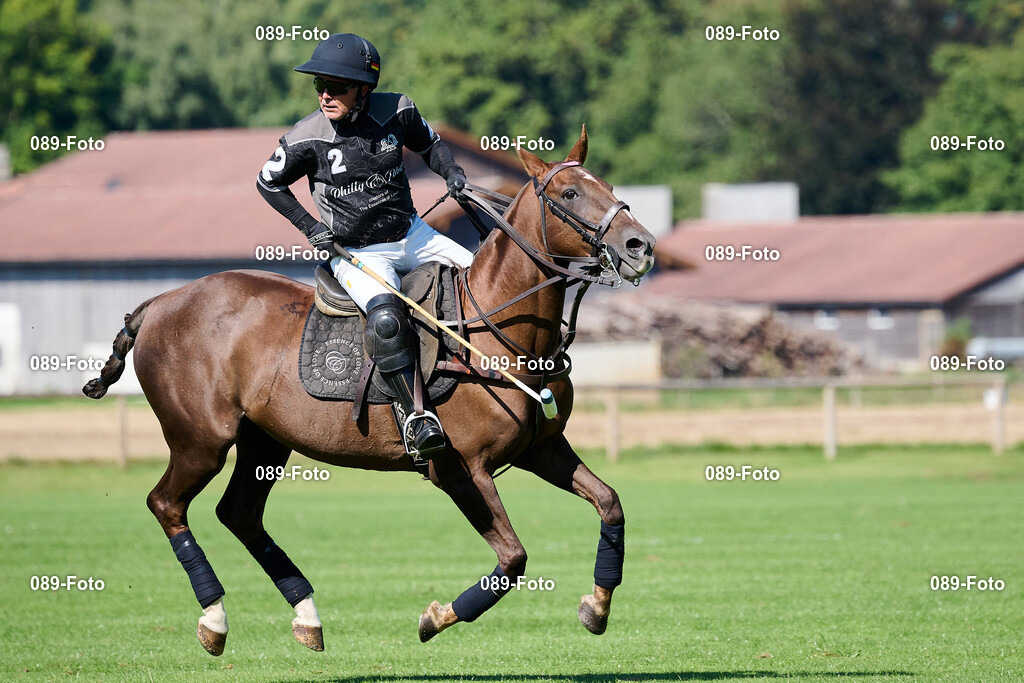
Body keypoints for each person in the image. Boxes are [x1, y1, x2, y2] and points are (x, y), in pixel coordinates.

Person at [257, 32, 473, 458]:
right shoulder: (306, 136)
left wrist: (451, 172)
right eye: (319, 85)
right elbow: (267, 182)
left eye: (336, 86)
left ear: (363, 89)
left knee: (484, 281)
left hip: (414, 235)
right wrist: (309, 226)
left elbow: (431, 145)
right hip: (357, 255)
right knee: (388, 321)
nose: (324, 95)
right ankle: (416, 416)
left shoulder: (399, 110)